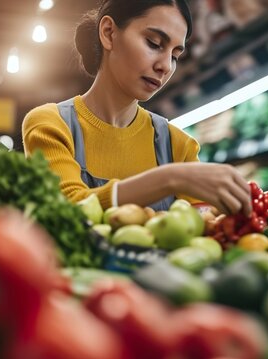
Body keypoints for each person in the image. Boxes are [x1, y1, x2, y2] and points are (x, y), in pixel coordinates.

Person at [22, 0, 251, 216]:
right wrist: (169, 179)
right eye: (154, 43)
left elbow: (205, 226)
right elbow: (66, 210)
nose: (164, 66)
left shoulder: (178, 146)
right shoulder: (52, 125)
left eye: (174, 55)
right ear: (109, 33)